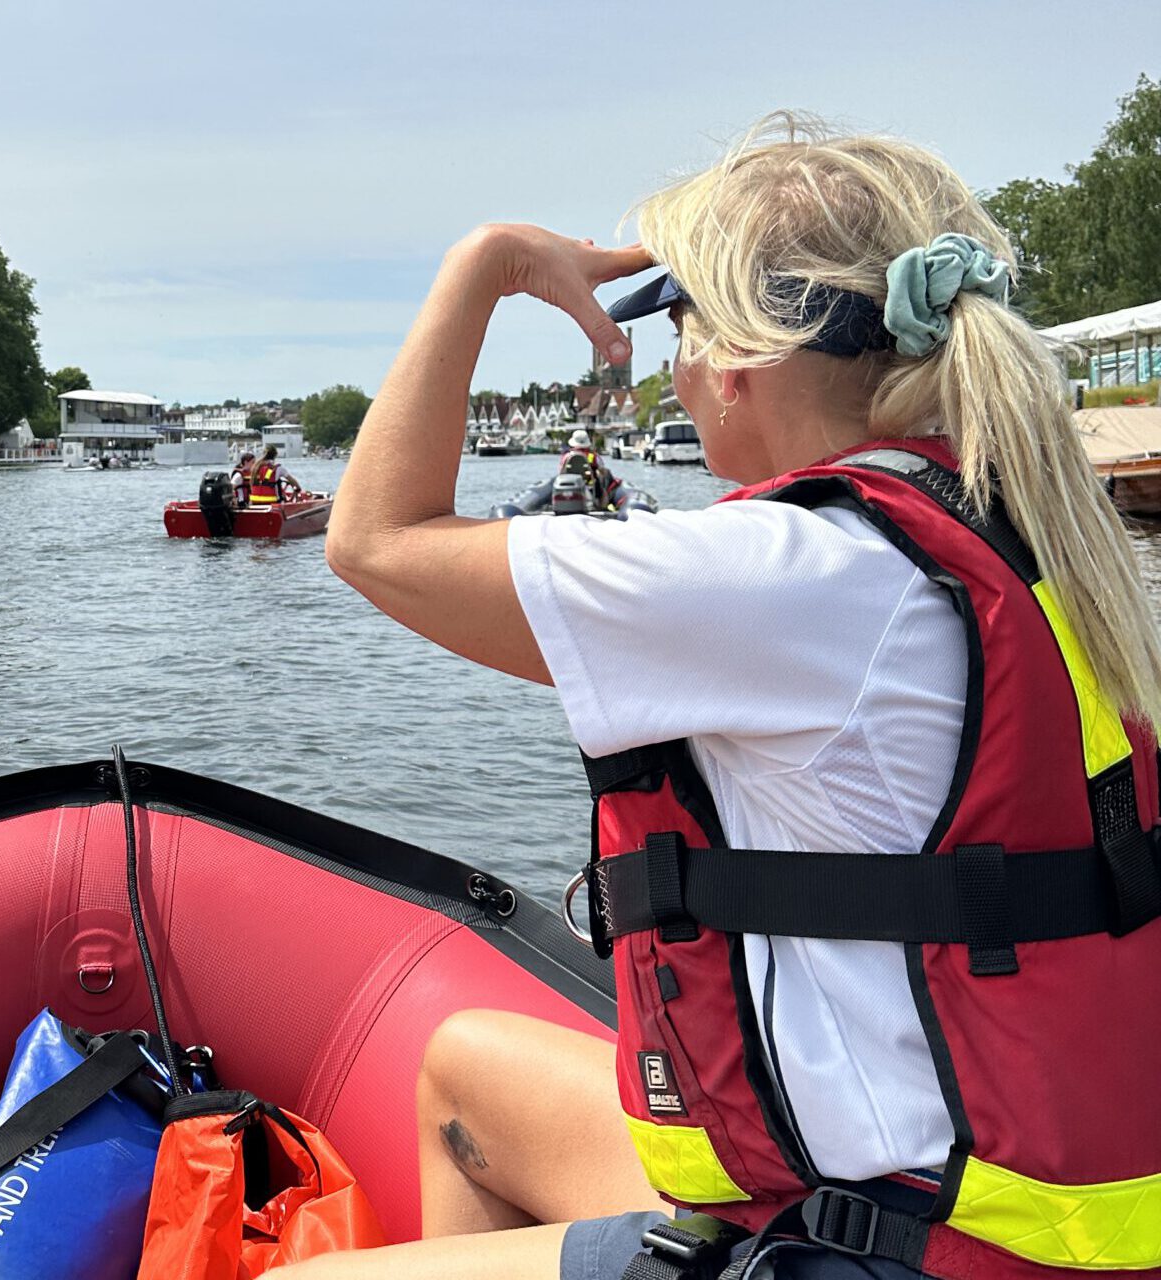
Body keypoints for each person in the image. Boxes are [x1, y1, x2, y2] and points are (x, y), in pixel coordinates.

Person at [289, 115, 1161, 1280]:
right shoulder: (1002, 515)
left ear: (745, 349)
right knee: (462, 1066)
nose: (674, 365)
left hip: (914, 1244)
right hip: (1021, 1208)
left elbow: (376, 539)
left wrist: (485, 264)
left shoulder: (788, 574)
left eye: (681, 324)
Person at [560, 428, 622, 510]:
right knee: (603, 489)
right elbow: (602, 471)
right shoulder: (593, 456)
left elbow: (561, 471)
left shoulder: (566, 456)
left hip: (568, 484)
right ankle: (602, 507)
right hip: (590, 484)